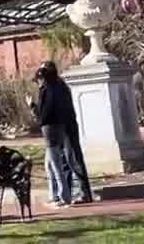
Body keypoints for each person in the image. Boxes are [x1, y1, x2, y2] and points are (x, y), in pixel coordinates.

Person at [33, 60, 93, 207]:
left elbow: (48, 111)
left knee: (72, 159)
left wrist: (38, 115)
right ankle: (67, 192)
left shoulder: (56, 87)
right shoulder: (55, 86)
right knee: (65, 161)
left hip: (66, 126)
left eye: (44, 71)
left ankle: (83, 192)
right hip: (61, 126)